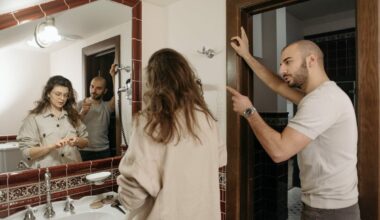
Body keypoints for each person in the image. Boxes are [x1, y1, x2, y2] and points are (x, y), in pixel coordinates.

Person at [227, 27, 360, 220]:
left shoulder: (323, 100)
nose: (282, 70)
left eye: (288, 62)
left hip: (330, 212)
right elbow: (277, 85)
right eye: (281, 64)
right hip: (323, 207)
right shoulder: (318, 96)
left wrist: (249, 111)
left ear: (311, 60)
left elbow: (279, 151)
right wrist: (246, 55)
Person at [117, 48, 227, 220]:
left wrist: (121, 198)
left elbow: (133, 195)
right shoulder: (207, 119)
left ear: (153, 81)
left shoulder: (151, 122)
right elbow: (220, 160)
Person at [17, 75, 89, 168]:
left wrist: (77, 141)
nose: (62, 98)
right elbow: (26, 153)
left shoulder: (73, 115)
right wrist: (51, 147)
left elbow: (86, 142)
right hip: (47, 174)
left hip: (73, 170)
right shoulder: (33, 118)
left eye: (65, 95)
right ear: (48, 93)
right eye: (58, 94)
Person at [77, 64, 117, 161]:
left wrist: (113, 76)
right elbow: (71, 127)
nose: (93, 91)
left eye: (98, 88)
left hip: (104, 151)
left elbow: (118, 94)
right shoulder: (79, 104)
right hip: (84, 151)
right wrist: (82, 113)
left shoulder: (107, 106)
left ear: (105, 91)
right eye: (92, 86)